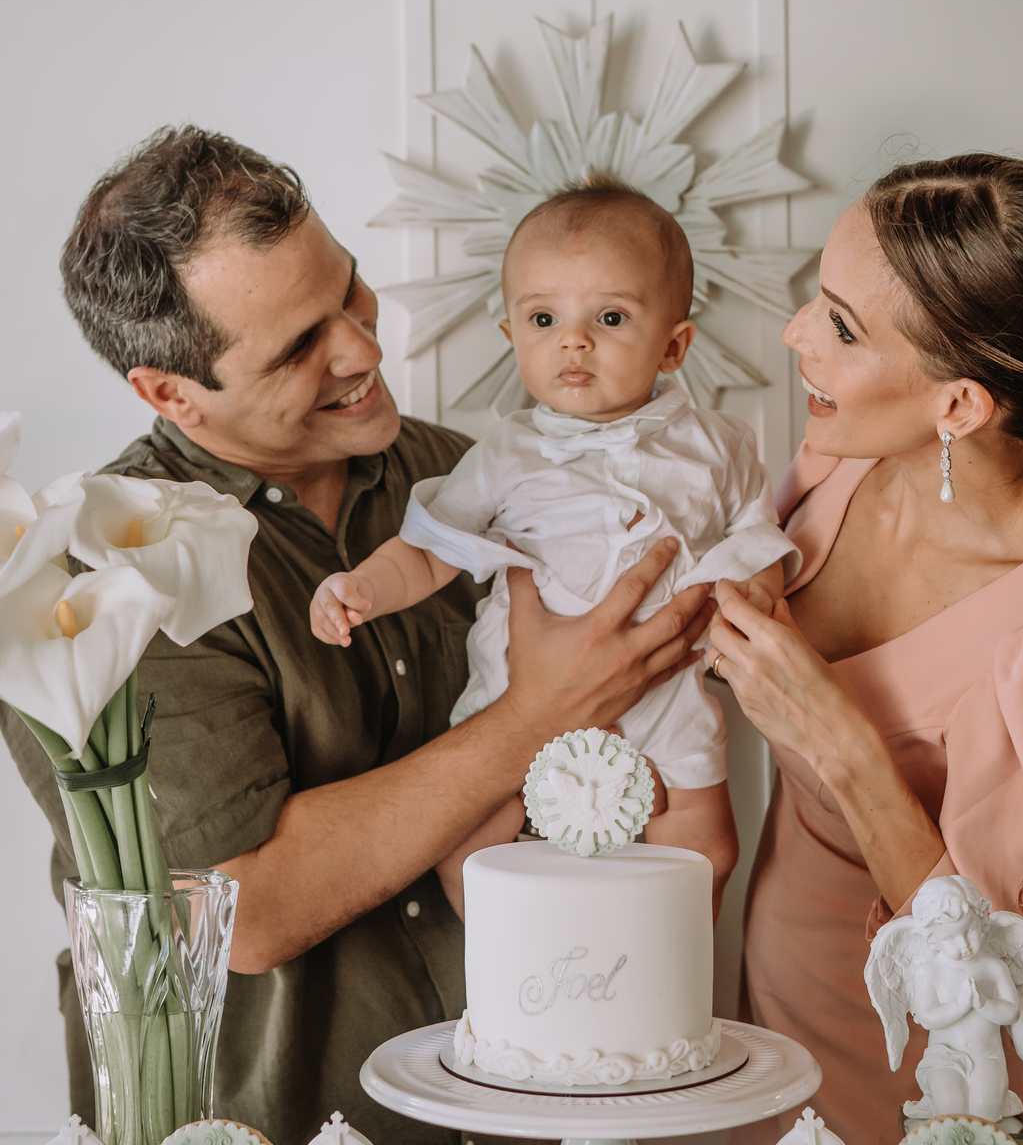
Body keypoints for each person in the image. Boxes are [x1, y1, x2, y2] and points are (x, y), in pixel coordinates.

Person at [0, 127, 715, 1145]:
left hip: (542, 1137)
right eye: (299, 346)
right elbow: (245, 907)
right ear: (170, 393)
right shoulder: (96, 578)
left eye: (349, 289)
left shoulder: (470, 479)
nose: (361, 350)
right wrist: (539, 712)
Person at [709, 153, 1023, 1145]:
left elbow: (1014, 989)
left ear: (961, 406)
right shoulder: (846, 459)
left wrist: (844, 748)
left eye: (842, 328)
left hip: (934, 1105)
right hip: (771, 1048)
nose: (795, 334)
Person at [311, 180, 796, 908]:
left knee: (709, 849)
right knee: (466, 852)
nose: (574, 340)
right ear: (512, 336)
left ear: (673, 345)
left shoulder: (717, 444)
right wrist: (364, 589)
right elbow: (428, 550)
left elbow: (755, 539)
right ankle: (522, 962)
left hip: (666, 694)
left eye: (610, 317)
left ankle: (652, 958)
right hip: (517, 691)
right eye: (544, 318)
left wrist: (753, 593)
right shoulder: (505, 454)